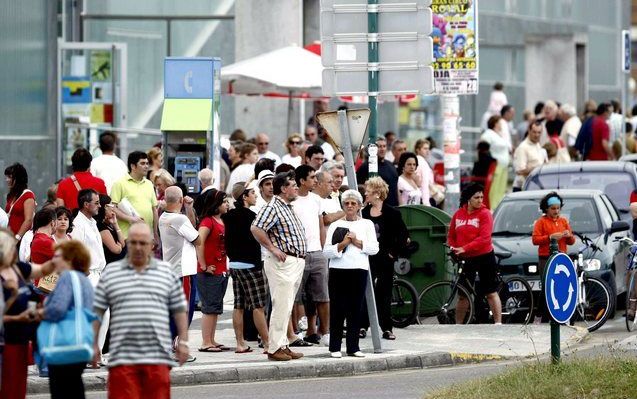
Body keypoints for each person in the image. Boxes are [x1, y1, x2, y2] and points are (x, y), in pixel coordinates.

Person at [93, 222, 189, 399]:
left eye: (143, 243)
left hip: (157, 360)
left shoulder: (166, 272)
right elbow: (97, 311)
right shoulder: (111, 273)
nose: (138, 247)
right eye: (133, 242)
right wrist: (92, 345)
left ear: (152, 245)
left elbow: (179, 309)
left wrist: (183, 341)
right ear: (127, 244)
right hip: (122, 360)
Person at [251, 172, 307, 361]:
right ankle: (274, 348)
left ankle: (282, 344)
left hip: (294, 261)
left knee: (287, 305)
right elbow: (256, 227)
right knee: (281, 305)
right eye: (293, 185)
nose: (296, 188)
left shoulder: (287, 207)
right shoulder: (273, 206)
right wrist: (272, 248)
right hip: (283, 263)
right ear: (283, 189)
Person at [0, 230, 55, 399]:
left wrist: (59, 257)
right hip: (4, 345)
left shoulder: (17, 268)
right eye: (11, 248)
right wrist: (18, 317)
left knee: (17, 390)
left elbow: (43, 269)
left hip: (22, 341)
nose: (14, 252)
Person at [324, 189, 379, 358]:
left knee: (355, 309)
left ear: (359, 206)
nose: (349, 206)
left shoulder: (367, 224)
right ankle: (335, 347)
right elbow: (327, 252)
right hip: (338, 270)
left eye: (353, 203)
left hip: (358, 269)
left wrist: (356, 241)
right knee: (337, 309)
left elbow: (374, 248)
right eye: (346, 203)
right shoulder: (335, 225)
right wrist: (343, 244)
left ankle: (353, 347)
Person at [39, 240, 94, 399]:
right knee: (74, 387)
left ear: (69, 259)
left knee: (61, 389)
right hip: (80, 343)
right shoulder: (84, 281)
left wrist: (40, 313)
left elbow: (58, 308)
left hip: (64, 345)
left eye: (57, 256)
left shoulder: (67, 277)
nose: (53, 259)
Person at [223, 183, 270, 354]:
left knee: (239, 305)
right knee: (258, 306)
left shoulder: (228, 216)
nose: (255, 196)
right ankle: (267, 343)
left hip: (234, 265)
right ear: (244, 196)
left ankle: (240, 343)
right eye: (252, 193)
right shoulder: (252, 216)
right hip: (251, 265)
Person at [360, 177, 409, 339]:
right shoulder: (363, 213)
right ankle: (362, 325)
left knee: (384, 293)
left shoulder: (392, 213)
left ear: (377, 193)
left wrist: (393, 253)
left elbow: (403, 235)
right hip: (367, 257)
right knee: (366, 291)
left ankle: (387, 328)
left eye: (368, 190)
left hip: (385, 259)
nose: (365, 193)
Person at [447, 183, 502, 324]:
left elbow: (484, 239)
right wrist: (453, 247)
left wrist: (464, 248)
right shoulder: (458, 214)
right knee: (463, 294)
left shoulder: (485, 214)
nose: (480, 200)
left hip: (484, 256)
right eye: (476, 197)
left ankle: (498, 323)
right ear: (468, 199)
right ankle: (458, 325)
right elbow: (451, 235)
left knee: (490, 292)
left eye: (481, 197)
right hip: (466, 258)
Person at [292, 165, 329, 346]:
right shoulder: (291, 200)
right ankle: (295, 333)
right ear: (302, 181)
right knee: (295, 297)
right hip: (297, 254)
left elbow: (321, 224)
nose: (315, 180)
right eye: (312, 177)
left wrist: (321, 248)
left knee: (321, 296)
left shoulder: (316, 200)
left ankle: (323, 332)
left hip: (317, 253)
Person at [158, 187, 200, 335]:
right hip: (184, 271)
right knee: (185, 311)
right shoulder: (179, 219)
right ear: (181, 200)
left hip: (172, 270)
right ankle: (177, 346)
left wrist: (189, 209)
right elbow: (197, 239)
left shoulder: (163, 217)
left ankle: (169, 345)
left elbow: (191, 228)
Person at [531, 193, 575, 321]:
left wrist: (568, 236)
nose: (556, 211)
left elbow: (571, 241)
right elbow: (535, 240)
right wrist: (550, 237)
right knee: (547, 286)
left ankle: (560, 314)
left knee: (562, 286)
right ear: (546, 209)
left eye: (558, 208)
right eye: (553, 208)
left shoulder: (563, 221)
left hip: (561, 257)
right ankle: (539, 315)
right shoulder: (541, 222)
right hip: (546, 258)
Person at [195, 189, 229, 353]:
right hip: (209, 271)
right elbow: (199, 242)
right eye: (223, 202)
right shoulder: (208, 221)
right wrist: (203, 265)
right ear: (215, 204)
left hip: (221, 269)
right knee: (209, 307)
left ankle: (212, 339)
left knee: (215, 307)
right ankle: (205, 342)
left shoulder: (221, 220)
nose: (227, 204)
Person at [110, 151, 159, 240]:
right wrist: (130, 219)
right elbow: (112, 208)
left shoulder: (149, 184)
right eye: (142, 163)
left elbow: (154, 210)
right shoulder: (119, 183)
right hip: (128, 237)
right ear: (133, 166)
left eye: (147, 163)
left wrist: (155, 233)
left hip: (147, 236)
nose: (146, 166)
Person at [71, 189, 106, 286]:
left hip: (98, 276)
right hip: (88, 277)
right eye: (97, 203)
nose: (100, 206)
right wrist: (87, 274)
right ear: (86, 204)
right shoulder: (77, 225)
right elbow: (75, 254)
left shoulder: (92, 222)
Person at [356, 137, 399, 207]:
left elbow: (396, 187)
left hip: (394, 207)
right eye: (379, 146)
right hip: (377, 208)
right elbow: (358, 186)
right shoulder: (366, 166)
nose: (382, 149)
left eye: (384, 146)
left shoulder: (391, 165)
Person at [480, 115, 510, 209]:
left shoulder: (499, 135)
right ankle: (492, 207)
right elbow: (483, 149)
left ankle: (498, 206)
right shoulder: (488, 134)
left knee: (501, 189)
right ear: (495, 123)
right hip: (495, 166)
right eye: (500, 123)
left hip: (503, 166)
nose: (502, 125)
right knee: (494, 189)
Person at [512, 121, 547, 191]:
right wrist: (539, 168)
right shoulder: (522, 147)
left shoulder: (538, 145)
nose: (537, 135)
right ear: (529, 131)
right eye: (534, 132)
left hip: (534, 186)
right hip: (522, 187)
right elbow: (519, 171)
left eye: (539, 132)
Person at [4, 163, 35, 241]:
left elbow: (28, 220)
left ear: (18, 179)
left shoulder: (28, 195)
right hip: (9, 237)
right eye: (6, 177)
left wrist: (17, 238)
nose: (7, 180)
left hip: (21, 239)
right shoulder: (10, 195)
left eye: (10, 177)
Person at [96, 195, 126, 265]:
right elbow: (116, 250)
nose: (113, 208)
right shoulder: (100, 226)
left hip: (119, 263)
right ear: (105, 207)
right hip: (111, 265)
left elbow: (123, 243)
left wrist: (115, 224)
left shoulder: (108, 223)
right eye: (111, 205)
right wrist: (119, 246)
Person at [414, 139, 434, 205]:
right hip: (424, 198)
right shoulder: (421, 161)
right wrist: (427, 203)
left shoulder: (417, 160)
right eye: (425, 148)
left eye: (428, 148)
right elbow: (424, 183)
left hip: (420, 197)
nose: (427, 151)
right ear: (418, 150)